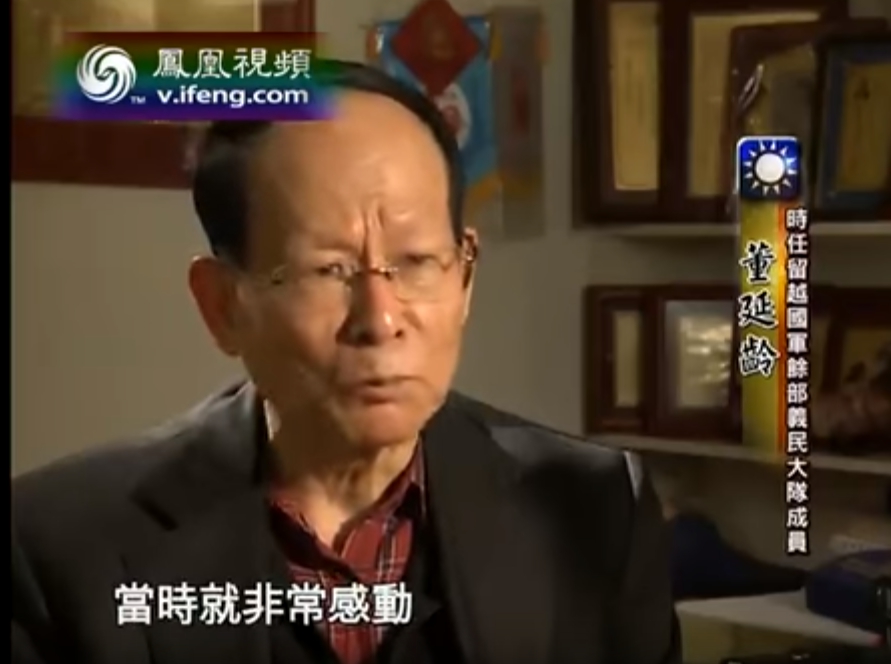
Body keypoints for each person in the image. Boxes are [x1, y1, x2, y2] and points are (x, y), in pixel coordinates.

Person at [12, 61, 680, 664]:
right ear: (222, 305)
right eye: (326, 270)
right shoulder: (58, 550)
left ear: (465, 278)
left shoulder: (592, 513)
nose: (380, 319)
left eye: (416, 262)